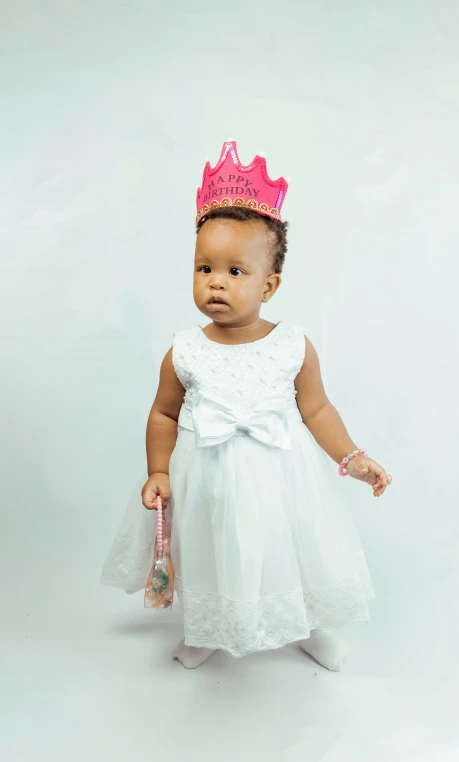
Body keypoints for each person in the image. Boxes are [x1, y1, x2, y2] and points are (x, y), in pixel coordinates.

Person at [101, 140, 392, 672]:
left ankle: (308, 626)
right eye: (204, 267)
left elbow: (318, 410)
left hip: (282, 478)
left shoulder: (292, 345)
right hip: (204, 479)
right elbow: (163, 413)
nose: (216, 280)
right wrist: (158, 471)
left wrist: (351, 458)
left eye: (235, 271)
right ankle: (208, 627)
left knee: (292, 553)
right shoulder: (184, 349)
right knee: (211, 554)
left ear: (269, 284)